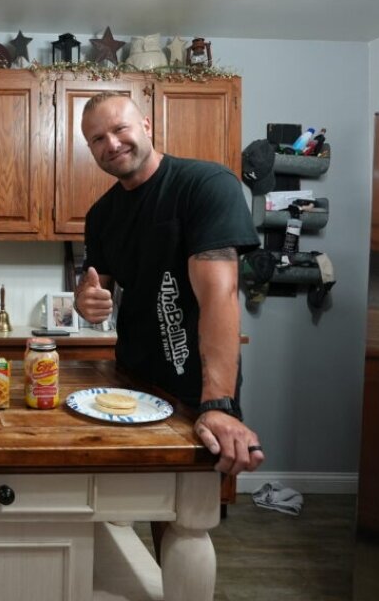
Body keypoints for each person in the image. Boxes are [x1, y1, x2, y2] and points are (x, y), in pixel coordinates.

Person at [73, 92, 265, 477]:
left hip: (198, 387)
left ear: (146, 126)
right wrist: (85, 300)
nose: (110, 144)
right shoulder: (101, 215)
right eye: (96, 138)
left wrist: (218, 405)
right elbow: (96, 286)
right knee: (120, 502)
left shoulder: (205, 185)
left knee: (186, 520)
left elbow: (219, 297)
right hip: (131, 382)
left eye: (119, 128)